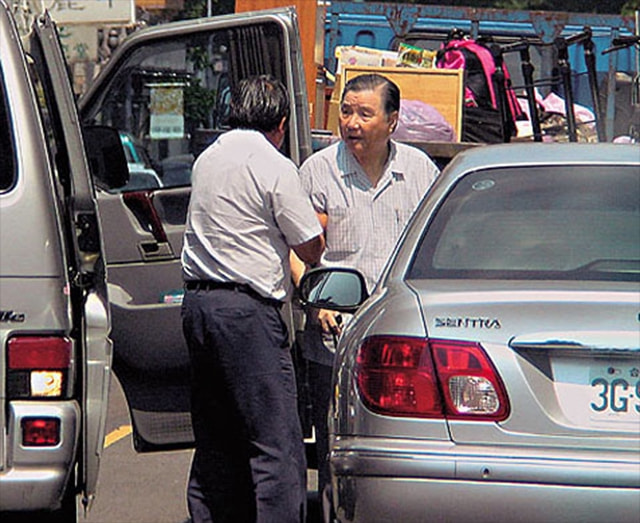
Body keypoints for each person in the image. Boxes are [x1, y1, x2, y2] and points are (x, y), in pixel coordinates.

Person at [294, 73, 440, 521]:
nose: (351, 122)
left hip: (401, 341)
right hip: (332, 339)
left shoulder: (420, 172)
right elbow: (294, 251)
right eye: (346, 111)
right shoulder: (317, 172)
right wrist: (316, 300)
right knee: (334, 446)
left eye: (364, 113)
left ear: (392, 121)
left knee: (406, 447)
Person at [181, 74, 325, 523]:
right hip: (246, 314)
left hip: (199, 308)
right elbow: (310, 246)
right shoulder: (273, 164)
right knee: (276, 445)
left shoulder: (208, 157)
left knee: (216, 439)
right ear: (280, 123)